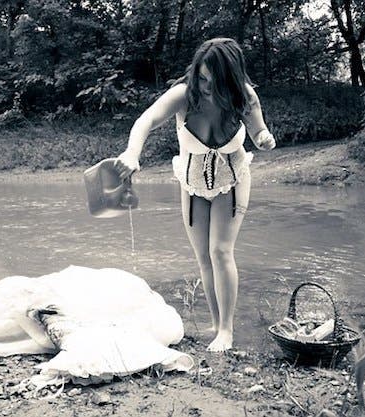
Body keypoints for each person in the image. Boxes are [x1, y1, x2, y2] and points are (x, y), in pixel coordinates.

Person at [115, 38, 276, 352]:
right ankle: (217, 325)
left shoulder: (244, 96)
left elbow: (258, 132)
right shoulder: (183, 95)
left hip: (233, 178)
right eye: (201, 78)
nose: (205, 86)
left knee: (221, 252)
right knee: (203, 256)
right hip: (191, 182)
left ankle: (227, 330)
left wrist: (264, 138)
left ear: (229, 78)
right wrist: (133, 154)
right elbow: (145, 120)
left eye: (213, 81)